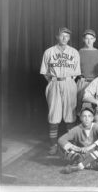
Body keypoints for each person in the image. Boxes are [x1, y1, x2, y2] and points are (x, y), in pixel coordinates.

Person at [40, 27, 81, 155]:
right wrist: (53, 81)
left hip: (69, 82)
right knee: (54, 115)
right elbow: (44, 72)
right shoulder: (49, 51)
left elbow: (76, 73)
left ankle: (71, 144)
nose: (64, 38)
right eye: (62, 36)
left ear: (69, 38)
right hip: (54, 82)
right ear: (57, 37)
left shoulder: (74, 52)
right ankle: (53, 145)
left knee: (70, 114)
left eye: (67, 36)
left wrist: (67, 80)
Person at [58, 107, 98, 174]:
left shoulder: (96, 127)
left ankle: (80, 165)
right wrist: (78, 149)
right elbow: (61, 139)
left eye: (89, 116)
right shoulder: (76, 129)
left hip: (95, 154)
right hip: (82, 154)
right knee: (61, 146)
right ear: (80, 118)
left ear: (92, 118)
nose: (87, 119)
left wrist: (90, 147)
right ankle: (89, 164)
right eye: (84, 116)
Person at [77, 29, 98, 114]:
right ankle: (79, 126)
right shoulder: (78, 53)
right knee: (79, 107)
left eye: (91, 38)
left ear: (95, 39)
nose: (89, 41)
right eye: (87, 38)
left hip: (96, 82)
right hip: (82, 82)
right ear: (83, 39)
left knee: (96, 107)